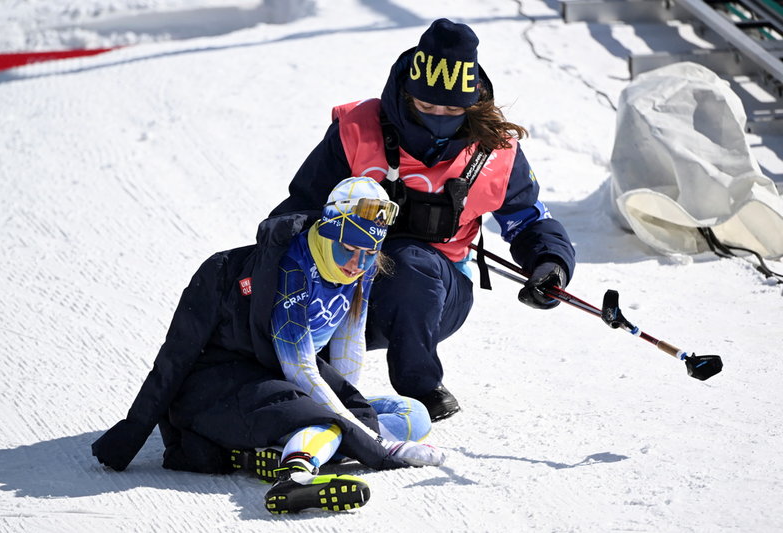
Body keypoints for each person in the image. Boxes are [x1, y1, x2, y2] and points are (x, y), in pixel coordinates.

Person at [270, 19, 577, 422]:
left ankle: (420, 385)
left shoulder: (495, 150)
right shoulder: (359, 130)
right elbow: (301, 209)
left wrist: (550, 265)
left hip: (437, 293)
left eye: (452, 109)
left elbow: (529, 219)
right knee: (309, 266)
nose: (438, 116)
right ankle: (307, 370)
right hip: (345, 279)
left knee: (410, 262)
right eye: (426, 106)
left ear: (473, 103)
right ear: (405, 93)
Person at [91, 177, 446, 515]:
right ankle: (295, 476)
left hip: (282, 382)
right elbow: (294, 367)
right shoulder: (289, 268)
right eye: (348, 249)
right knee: (331, 423)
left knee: (412, 415)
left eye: (369, 252)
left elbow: (347, 346)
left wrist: (356, 417)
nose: (356, 263)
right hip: (218, 385)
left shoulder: (361, 268)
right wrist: (374, 445)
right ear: (327, 232)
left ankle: (279, 448)